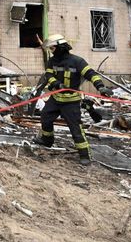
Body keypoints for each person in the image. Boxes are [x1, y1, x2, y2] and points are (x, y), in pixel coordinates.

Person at [33, 34, 112, 165]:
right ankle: (47, 140)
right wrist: (56, 84)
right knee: (46, 117)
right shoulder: (52, 62)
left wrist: (101, 87)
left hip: (71, 102)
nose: (51, 52)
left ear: (60, 47)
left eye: (52, 48)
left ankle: (84, 154)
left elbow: (91, 74)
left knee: (75, 128)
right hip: (56, 99)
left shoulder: (77, 61)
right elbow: (48, 75)